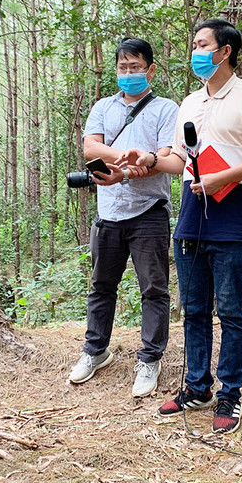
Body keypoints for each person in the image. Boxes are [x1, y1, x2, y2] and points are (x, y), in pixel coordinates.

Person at [121, 19, 242, 433]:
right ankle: (197, 386)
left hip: (233, 211)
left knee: (231, 310)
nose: (195, 51)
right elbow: (178, 159)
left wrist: (223, 178)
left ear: (224, 50)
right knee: (193, 308)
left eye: (201, 44)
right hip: (192, 211)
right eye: (194, 44)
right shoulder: (190, 102)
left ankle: (230, 394)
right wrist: (151, 159)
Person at [68, 38, 179, 398]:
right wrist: (133, 157)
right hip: (108, 213)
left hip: (149, 212)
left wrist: (130, 168)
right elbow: (90, 147)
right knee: (101, 286)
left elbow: (165, 158)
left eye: (135, 67)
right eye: (122, 67)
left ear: (150, 69)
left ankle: (150, 359)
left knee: (154, 289)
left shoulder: (166, 109)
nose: (128, 73)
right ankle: (95, 351)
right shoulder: (103, 107)